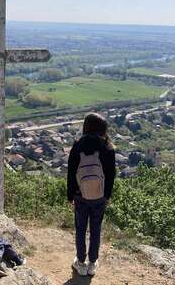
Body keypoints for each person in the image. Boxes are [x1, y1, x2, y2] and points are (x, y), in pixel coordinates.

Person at [67, 113, 116, 276]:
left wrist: (70, 195)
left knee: (80, 229)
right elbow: (110, 175)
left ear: (86, 126)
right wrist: (107, 195)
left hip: (81, 195)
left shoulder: (78, 145)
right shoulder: (107, 147)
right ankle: (92, 263)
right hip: (99, 196)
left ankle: (80, 263)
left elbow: (71, 172)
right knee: (96, 229)